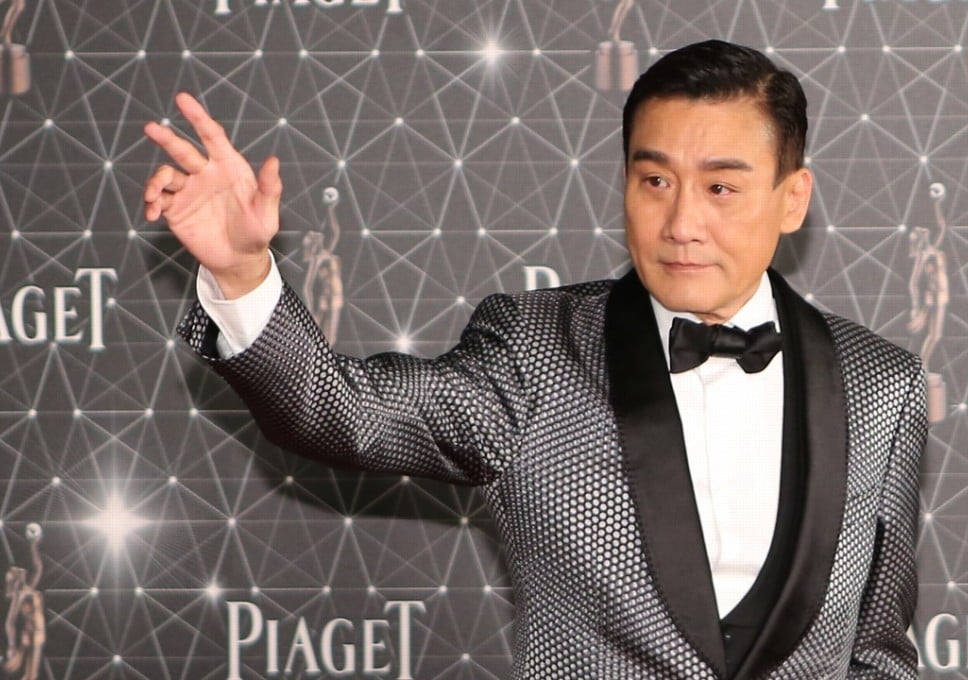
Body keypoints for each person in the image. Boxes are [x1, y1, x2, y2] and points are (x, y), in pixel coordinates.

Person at [143, 39, 926, 679]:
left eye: (722, 188)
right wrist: (244, 274)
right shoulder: (535, 351)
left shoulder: (879, 384)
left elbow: (878, 652)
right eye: (654, 180)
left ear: (793, 199)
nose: (681, 221)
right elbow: (345, 414)